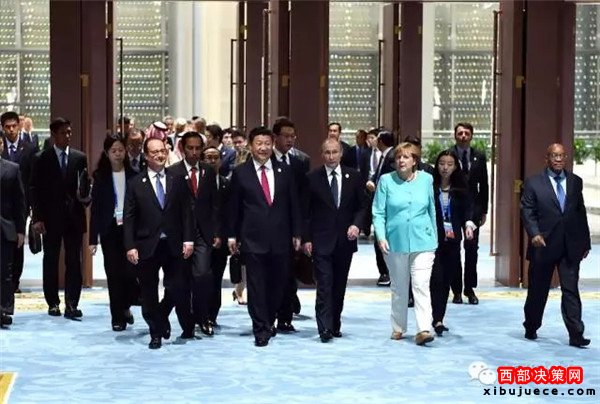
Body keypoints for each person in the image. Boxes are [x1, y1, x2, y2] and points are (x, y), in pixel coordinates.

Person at [227, 126, 302, 347]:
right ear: (251, 146)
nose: (263, 148)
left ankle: (269, 320)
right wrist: (232, 235)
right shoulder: (241, 173)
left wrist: (297, 232)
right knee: (256, 285)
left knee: (277, 285)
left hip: (281, 238)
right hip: (252, 239)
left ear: (273, 144)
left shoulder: (285, 171)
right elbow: (234, 207)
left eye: (267, 143)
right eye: (259, 144)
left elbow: (294, 204)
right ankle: (260, 328)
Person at [123, 137, 195, 349]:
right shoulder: (135, 183)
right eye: (154, 152)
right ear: (146, 156)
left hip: (174, 243)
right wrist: (130, 245)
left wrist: (188, 239)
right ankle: (155, 332)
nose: (160, 155)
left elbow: (187, 212)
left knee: (177, 286)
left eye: (162, 151)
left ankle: (162, 314)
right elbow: (129, 217)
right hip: (147, 244)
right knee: (148, 291)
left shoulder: (178, 178)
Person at [520, 143, 591, 348]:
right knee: (538, 290)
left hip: (570, 245)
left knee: (571, 289)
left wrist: (585, 242)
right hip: (543, 244)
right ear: (547, 159)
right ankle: (531, 325)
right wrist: (534, 234)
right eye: (554, 156)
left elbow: (580, 212)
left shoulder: (575, 182)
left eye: (561, 155)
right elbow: (527, 210)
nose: (558, 159)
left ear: (565, 158)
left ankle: (576, 333)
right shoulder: (533, 183)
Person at [372, 142, 437, 346]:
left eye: (406, 157)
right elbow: (378, 212)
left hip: (423, 241)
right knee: (399, 287)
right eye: (399, 157)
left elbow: (431, 209)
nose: (401, 160)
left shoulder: (426, 179)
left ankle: (424, 328)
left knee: (421, 284)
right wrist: (381, 237)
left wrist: (435, 237)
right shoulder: (386, 181)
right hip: (394, 241)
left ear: (414, 161)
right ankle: (398, 326)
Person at [302, 138, 368, 342]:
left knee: (339, 285)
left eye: (334, 152)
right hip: (321, 240)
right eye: (327, 152)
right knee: (324, 284)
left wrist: (356, 225)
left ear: (341, 154)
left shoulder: (354, 176)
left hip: (345, 241)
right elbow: (306, 212)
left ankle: (335, 323)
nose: (331, 156)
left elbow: (362, 206)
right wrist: (306, 238)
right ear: (322, 154)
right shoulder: (312, 178)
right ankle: (324, 327)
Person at [30, 117, 89, 319]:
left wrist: (86, 197)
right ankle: (53, 303)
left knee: (74, 261)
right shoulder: (41, 158)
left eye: (69, 132)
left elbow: (84, 186)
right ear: (54, 135)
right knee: (51, 260)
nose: (67, 136)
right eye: (63, 133)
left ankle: (72, 304)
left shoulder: (79, 158)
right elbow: (34, 189)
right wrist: (37, 217)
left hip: (74, 217)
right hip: (50, 218)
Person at [167, 131, 220, 336]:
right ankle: (186, 321)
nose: (195, 152)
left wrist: (216, 231)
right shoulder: (172, 172)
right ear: (182, 148)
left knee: (202, 275)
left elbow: (214, 204)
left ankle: (202, 316)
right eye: (190, 148)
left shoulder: (208, 171)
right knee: (181, 280)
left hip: (203, 233)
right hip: (180, 233)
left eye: (198, 148)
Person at [88, 134, 140, 332]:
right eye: (114, 151)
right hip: (109, 230)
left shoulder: (135, 175)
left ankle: (126, 305)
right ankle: (117, 317)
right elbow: (95, 210)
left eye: (121, 150)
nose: (118, 154)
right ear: (107, 153)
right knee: (113, 274)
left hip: (130, 230)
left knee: (130, 273)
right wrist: (93, 239)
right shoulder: (100, 177)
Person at [430, 150, 475, 336]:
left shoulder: (461, 189)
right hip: (431, 240)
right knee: (436, 279)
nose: (445, 168)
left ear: (455, 167)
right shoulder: (430, 187)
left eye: (449, 164)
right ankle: (435, 318)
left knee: (445, 280)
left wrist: (469, 225)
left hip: (453, 240)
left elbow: (468, 210)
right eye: (441, 163)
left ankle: (439, 317)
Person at [271, 117, 309, 331]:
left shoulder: (301, 161)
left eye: (292, 136)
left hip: (291, 228)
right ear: (275, 137)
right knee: (270, 275)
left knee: (288, 274)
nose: (290, 140)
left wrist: (301, 230)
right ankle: (268, 316)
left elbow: (303, 199)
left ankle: (285, 318)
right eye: (285, 136)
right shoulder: (265, 160)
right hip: (268, 226)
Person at [450, 123, 488, 304]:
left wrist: (484, 210)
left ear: (471, 135)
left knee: (472, 249)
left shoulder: (479, 156)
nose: (463, 136)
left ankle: (470, 288)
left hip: (473, 209)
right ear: (455, 135)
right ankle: (456, 290)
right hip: (453, 207)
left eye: (466, 133)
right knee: (453, 249)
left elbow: (484, 185)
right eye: (460, 133)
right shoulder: (448, 155)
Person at [1, 111, 36, 293]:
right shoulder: (1, 147)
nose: (11, 130)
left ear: (19, 126)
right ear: (2, 128)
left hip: (22, 202)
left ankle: (15, 281)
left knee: (18, 241)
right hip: (4, 202)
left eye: (14, 126)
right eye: (7, 127)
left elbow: (33, 178)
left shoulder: (29, 148)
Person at [202, 145, 230, 326]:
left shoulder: (227, 184)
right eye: (208, 157)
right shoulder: (195, 183)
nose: (212, 161)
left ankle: (212, 315)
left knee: (216, 278)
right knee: (201, 277)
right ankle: (200, 313)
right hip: (201, 239)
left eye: (215, 157)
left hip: (222, 240)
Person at [0, 139, 26, 327]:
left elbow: (20, 202)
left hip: (5, 228)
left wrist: (21, 230)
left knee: (5, 272)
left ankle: (4, 309)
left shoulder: (12, 169)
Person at [366, 130, 395, 287]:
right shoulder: (384, 156)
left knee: (382, 239)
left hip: (386, 206)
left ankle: (386, 272)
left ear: (381, 141)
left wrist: (375, 187)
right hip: (378, 201)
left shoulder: (392, 157)